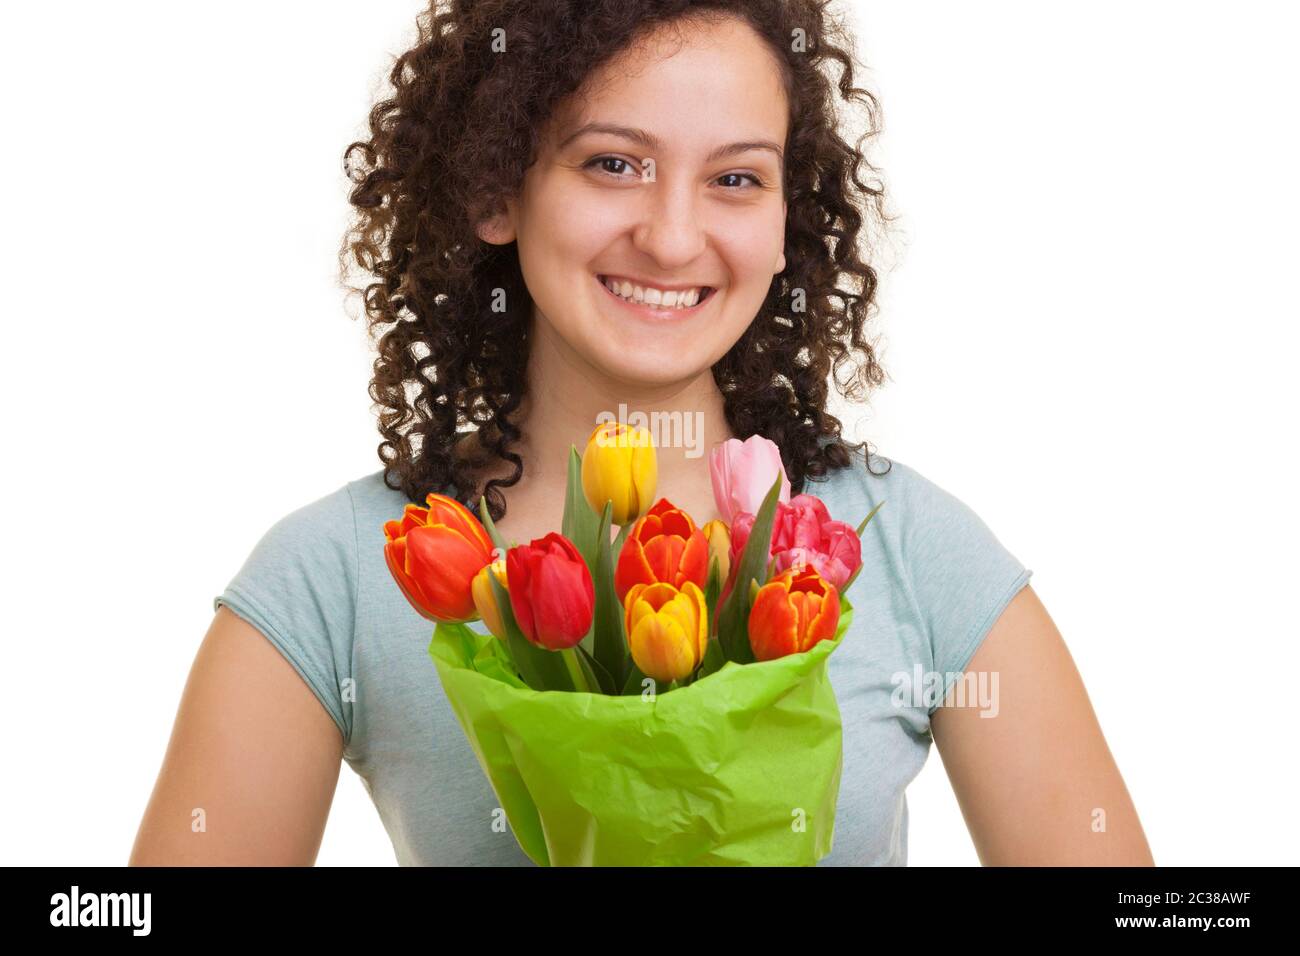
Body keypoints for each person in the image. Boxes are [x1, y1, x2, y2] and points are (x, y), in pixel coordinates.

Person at [130, 0, 1153, 866]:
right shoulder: (342, 570)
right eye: (612, 163)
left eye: (736, 178)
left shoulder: (902, 545)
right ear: (496, 189)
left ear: (787, 219)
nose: (671, 236)